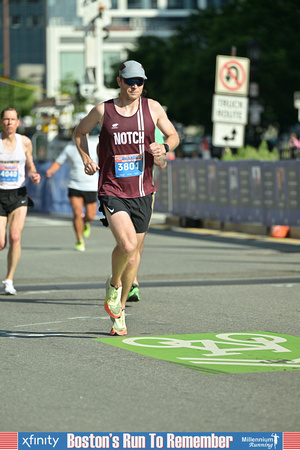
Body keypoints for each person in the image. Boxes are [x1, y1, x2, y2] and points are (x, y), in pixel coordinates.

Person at [73, 60, 179, 335]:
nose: (135, 86)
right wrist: (86, 157)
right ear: (119, 81)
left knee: (133, 258)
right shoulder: (103, 110)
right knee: (128, 245)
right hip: (112, 189)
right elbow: (79, 132)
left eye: (139, 81)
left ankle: (118, 311)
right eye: (130, 81)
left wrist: (164, 147)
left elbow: (173, 135)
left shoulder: (152, 108)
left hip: (143, 191)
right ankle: (114, 283)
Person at [0, 107, 41, 295]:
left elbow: (30, 164)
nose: (9, 122)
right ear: (1, 122)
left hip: (18, 194)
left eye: (13, 119)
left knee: (15, 236)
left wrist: (33, 174)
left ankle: (9, 279)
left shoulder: (24, 142)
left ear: (18, 122)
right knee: (1, 243)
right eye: (6, 119)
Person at [46, 137, 98, 251]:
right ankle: (79, 240)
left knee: (90, 216)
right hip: (74, 185)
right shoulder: (69, 149)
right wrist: (50, 171)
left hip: (91, 186)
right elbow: (58, 162)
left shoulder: (94, 145)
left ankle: (85, 223)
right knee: (77, 212)